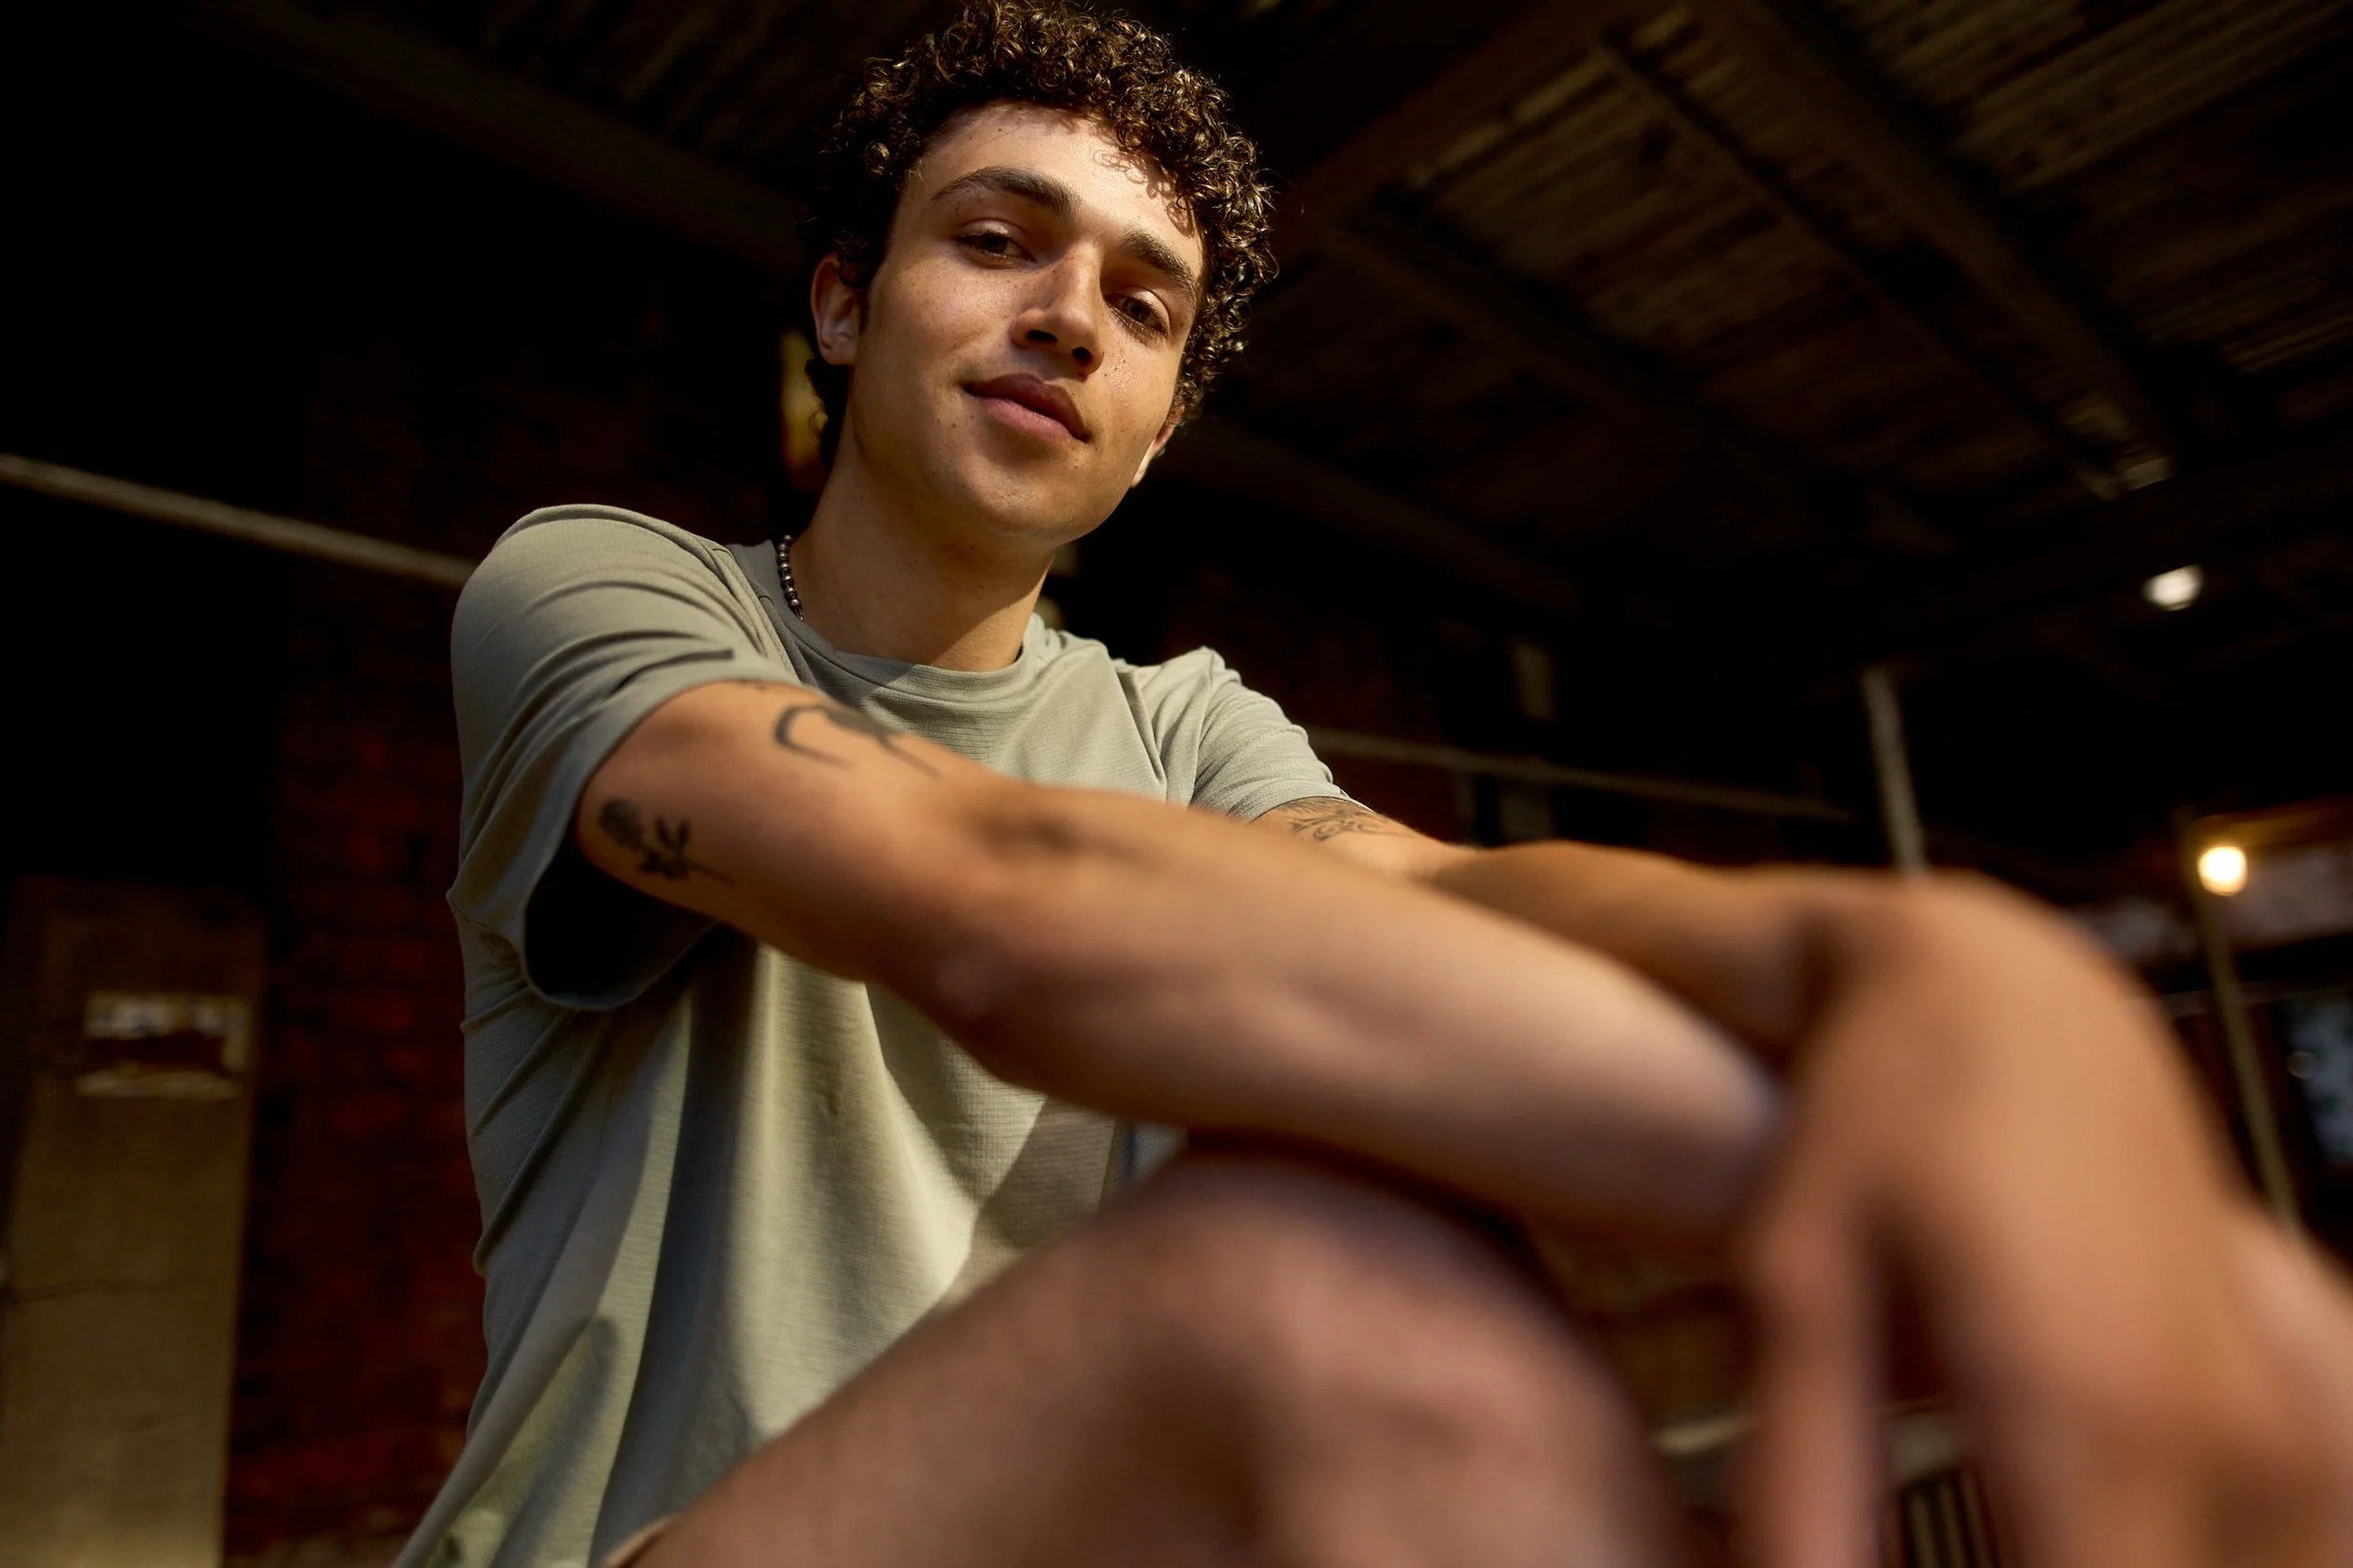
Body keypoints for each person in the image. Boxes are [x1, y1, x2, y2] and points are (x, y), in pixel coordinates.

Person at [400, 4, 2353, 1565]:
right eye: (996, 240)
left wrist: (1907, 968)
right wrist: (1857, 1165)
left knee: (2193, 1326)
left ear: (1155, 433)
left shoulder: (1184, 722)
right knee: (1323, 1289)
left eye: (1143, 305)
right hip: (624, 1541)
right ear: (841, 305)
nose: (1070, 315)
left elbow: (1416, 889)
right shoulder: (603, 587)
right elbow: (978, 891)